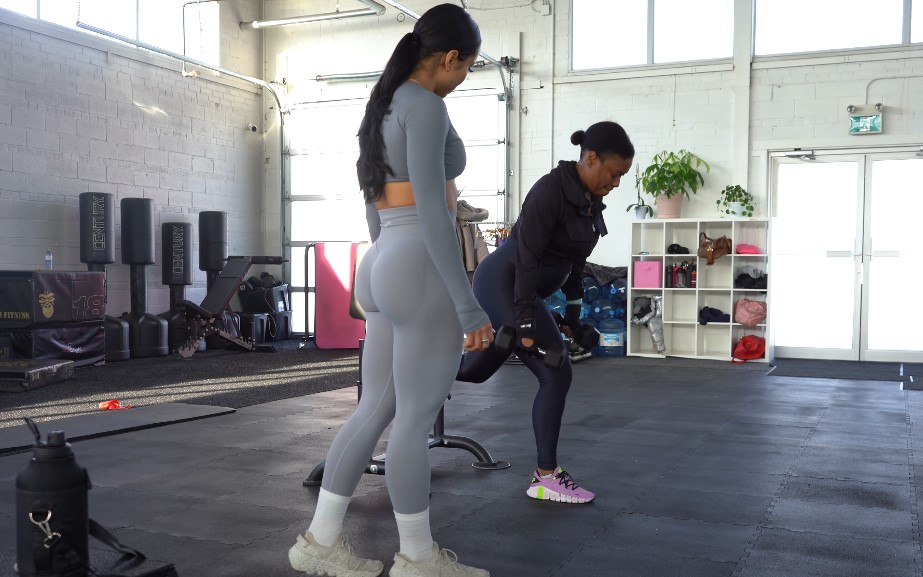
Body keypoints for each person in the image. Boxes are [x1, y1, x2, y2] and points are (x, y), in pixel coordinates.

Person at [288, 4, 494, 577]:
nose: (463, 79)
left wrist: (384, 262)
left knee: (374, 410)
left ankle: (320, 542)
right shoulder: (423, 106)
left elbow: (375, 203)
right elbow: (433, 209)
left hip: (380, 261)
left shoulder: (381, 105)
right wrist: (468, 303)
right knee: (413, 417)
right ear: (450, 57)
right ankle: (419, 558)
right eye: (467, 68)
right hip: (419, 262)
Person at [456, 121, 635, 504]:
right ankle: (545, 475)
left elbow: (575, 267)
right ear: (591, 158)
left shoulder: (589, 203)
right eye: (615, 173)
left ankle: (425, 368)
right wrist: (522, 320)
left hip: (525, 293)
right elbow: (527, 259)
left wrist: (574, 316)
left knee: (476, 371)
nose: (617, 182)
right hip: (504, 283)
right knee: (555, 370)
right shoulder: (550, 191)